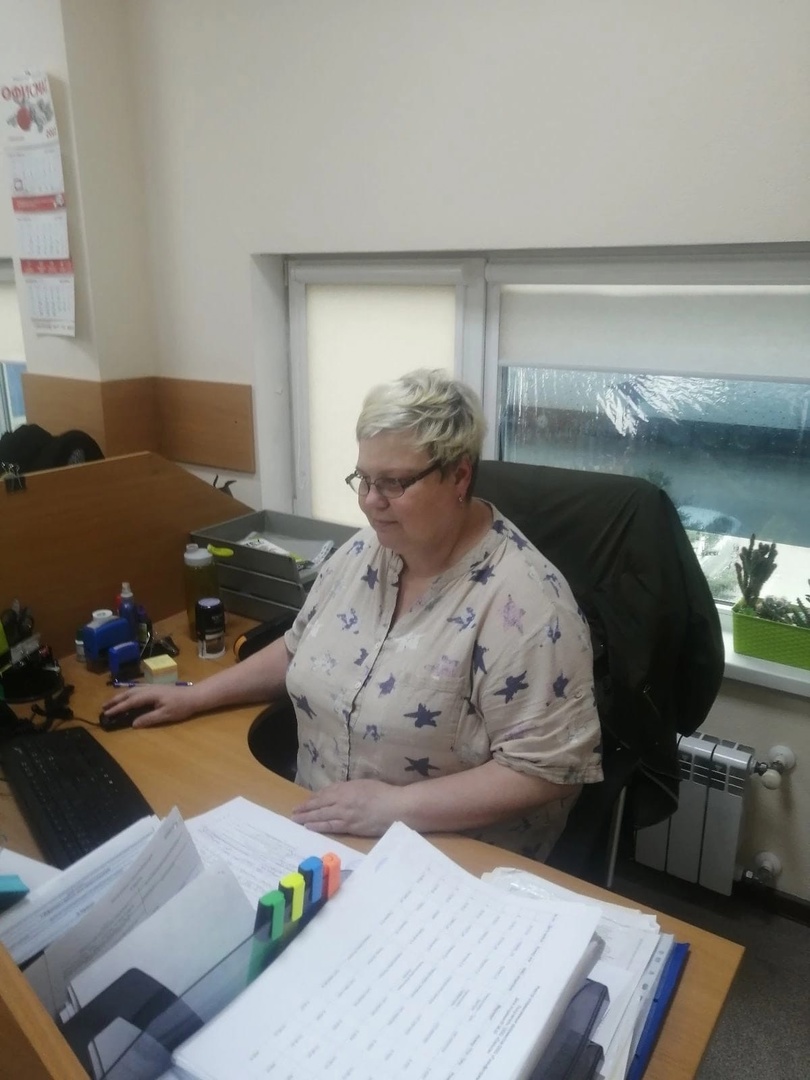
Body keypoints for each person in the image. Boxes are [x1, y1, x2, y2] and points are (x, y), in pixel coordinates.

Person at [102, 369, 602, 859]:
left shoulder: (529, 605)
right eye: (364, 479)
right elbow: (299, 647)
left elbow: (545, 771)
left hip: (443, 857)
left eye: (393, 483)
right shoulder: (365, 551)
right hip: (323, 829)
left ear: (460, 475)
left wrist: (397, 807)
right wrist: (195, 696)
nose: (369, 502)